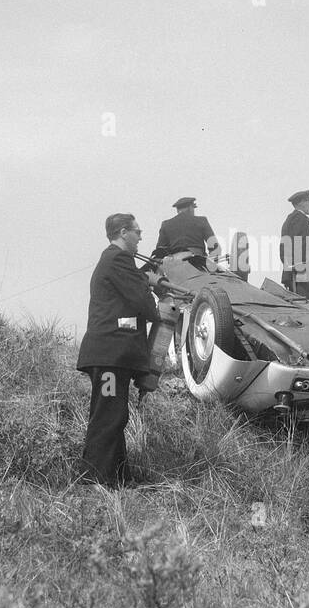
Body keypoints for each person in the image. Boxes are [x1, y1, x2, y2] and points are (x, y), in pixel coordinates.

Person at [75, 213, 159, 486]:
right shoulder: (119, 259)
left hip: (109, 354)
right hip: (110, 355)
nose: (141, 237)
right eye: (137, 231)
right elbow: (144, 305)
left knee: (114, 414)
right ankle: (95, 480)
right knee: (108, 416)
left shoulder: (112, 260)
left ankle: (119, 479)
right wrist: (150, 285)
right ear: (124, 232)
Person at [280, 189, 309, 303]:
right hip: (302, 273)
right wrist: (299, 267)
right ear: (301, 202)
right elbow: (294, 245)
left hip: (298, 272)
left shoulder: (290, 219)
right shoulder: (299, 218)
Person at [155, 196, 219, 265]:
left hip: (175, 264)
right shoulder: (201, 221)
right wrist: (213, 265)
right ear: (190, 208)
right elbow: (213, 245)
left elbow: (160, 250)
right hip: (198, 262)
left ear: (177, 210)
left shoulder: (166, 224)